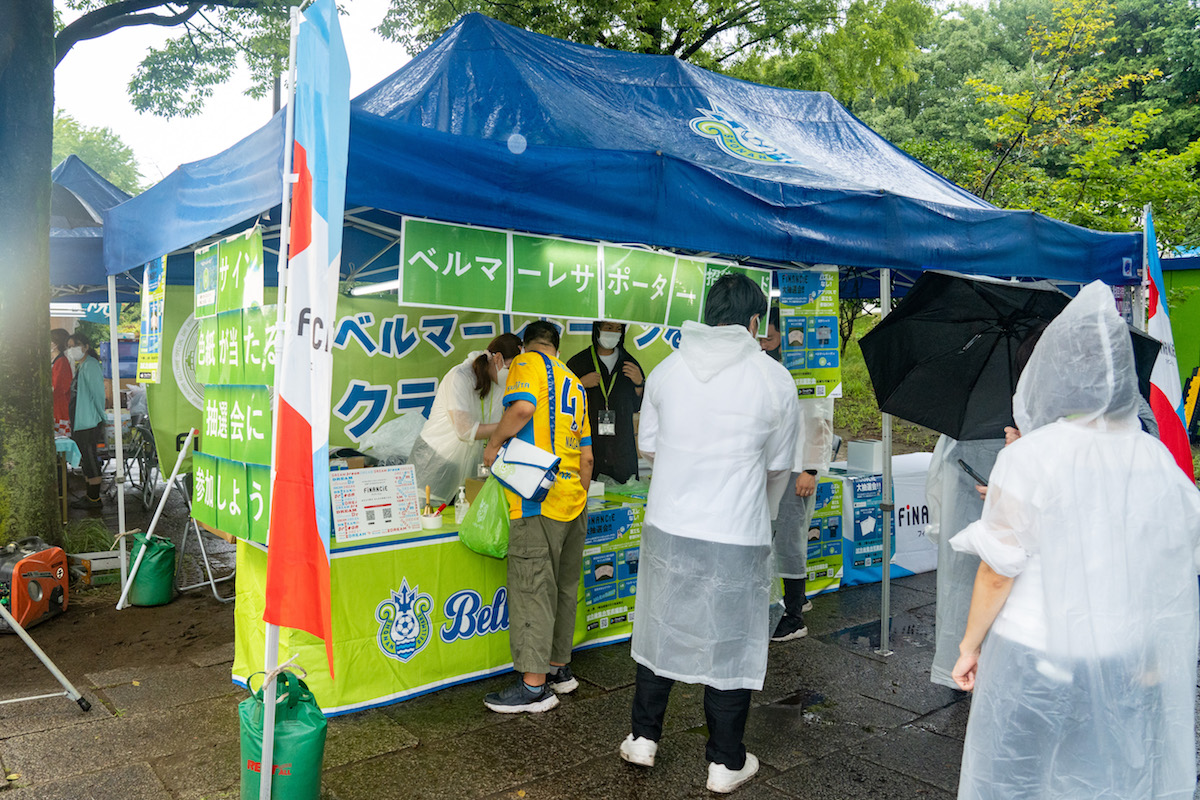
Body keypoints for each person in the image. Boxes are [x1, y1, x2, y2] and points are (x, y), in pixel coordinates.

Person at [949, 282, 1200, 800]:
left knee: (1020, 778)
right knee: (1101, 778)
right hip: (1120, 651)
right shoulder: (1154, 457)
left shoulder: (1029, 457)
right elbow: (1173, 561)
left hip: (1034, 652)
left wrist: (969, 646)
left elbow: (997, 572)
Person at [620, 274, 798, 794]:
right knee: (731, 643)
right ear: (754, 321)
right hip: (736, 529)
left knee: (658, 626)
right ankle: (724, 762)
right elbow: (779, 465)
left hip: (669, 523)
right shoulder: (773, 379)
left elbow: (649, 446)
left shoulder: (667, 370)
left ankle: (643, 738)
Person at [481, 320, 594, 713]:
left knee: (532, 588)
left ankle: (533, 688)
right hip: (574, 501)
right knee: (564, 588)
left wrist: (494, 444)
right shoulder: (574, 382)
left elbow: (523, 407)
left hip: (536, 499)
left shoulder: (528, 363)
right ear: (557, 348)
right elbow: (587, 457)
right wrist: (578, 494)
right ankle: (559, 669)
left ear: (526, 346)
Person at [760, 308, 833, 642]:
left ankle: (793, 618)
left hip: (796, 468)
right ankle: (797, 599)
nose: (764, 344)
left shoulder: (808, 368)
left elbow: (820, 419)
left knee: (790, 538)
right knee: (779, 535)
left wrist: (810, 469)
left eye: (771, 338)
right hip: (774, 465)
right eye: (761, 338)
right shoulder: (768, 370)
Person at [410, 333, 522, 502]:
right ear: (498, 358)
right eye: (511, 368)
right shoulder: (460, 376)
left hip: (468, 465)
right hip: (434, 461)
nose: (513, 374)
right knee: (428, 513)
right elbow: (465, 430)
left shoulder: (501, 384)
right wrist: (508, 426)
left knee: (463, 512)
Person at [565, 321, 644, 485]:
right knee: (589, 489)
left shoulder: (630, 364)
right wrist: (580, 384)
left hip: (622, 447)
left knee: (624, 493)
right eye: (608, 328)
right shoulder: (579, 362)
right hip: (589, 443)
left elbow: (638, 406)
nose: (613, 332)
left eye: (618, 329)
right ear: (597, 330)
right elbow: (563, 401)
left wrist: (639, 384)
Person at [68, 331, 108, 510]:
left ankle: (94, 499)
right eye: (69, 347)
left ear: (86, 347)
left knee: (90, 459)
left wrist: (101, 416)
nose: (72, 349)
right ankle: (89, 495)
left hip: (89, 421)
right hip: (81, 421)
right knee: (86, 458)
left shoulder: (91, 365)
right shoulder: (82, 365)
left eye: (75, 345)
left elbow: (98, 394)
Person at [50, 328, 73, 437]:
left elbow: (57, 387)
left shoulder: (61, 362)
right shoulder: (56, 361)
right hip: (56, 408)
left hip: (59, 409)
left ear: (55, 344)